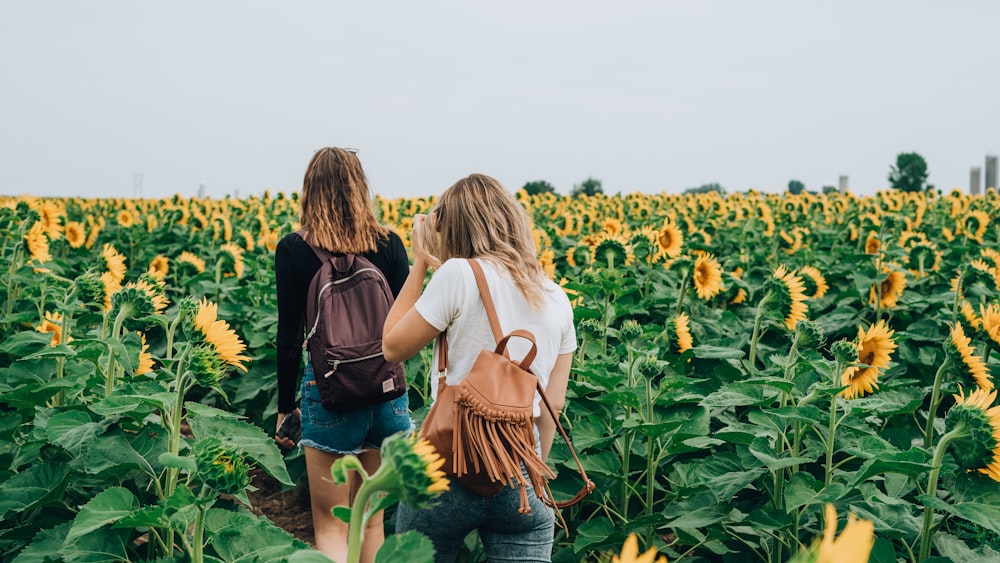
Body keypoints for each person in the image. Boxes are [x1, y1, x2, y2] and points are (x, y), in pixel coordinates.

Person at [382, 173, 576, 563]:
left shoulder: (458, 273)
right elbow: (551, 404)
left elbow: (392, 346)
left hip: (446, 466)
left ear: (451, 228)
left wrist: (421, 259)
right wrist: (525, 464)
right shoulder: (556, 296)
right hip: (520, 475)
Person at [273, 147, 411, 563]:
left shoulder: (294, 249)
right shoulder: (389, 244)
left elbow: (288, 337)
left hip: (329, 393)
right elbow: (407, 323)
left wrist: (284, 409)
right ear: (360, 188)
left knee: (332, 524)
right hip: (387, 392)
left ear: (308, 191)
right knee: (370, 520)